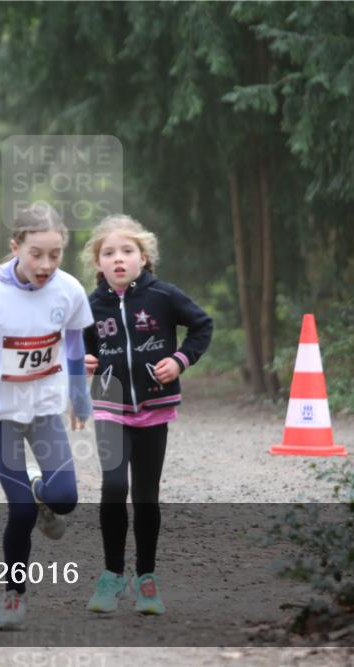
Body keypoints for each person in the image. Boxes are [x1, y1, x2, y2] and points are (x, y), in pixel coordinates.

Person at [0, 203, 93, 630]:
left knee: (65, 497)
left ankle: (39, 488)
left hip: (45, 410)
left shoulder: (69, 290)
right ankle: (13, 596)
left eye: (55, 254)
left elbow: (73, 348)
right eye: (36, 253)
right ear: (15, 247)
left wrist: (81, 400)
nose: (46, 264)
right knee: (22, 512)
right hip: (1, 415)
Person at [80, 214, 213, 615]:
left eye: (127, 251)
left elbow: (202, 326)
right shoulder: (90, 305)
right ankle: (111, 576)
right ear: (97, 262)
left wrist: (180, 359)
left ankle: (146, 578)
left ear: (144, 257)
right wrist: (81, 361)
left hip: (154, 409)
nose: (118, 259)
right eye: (108, 253)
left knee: (145, 495)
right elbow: (79, 349)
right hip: (109, 405)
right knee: (113, 488)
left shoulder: (163, 295)